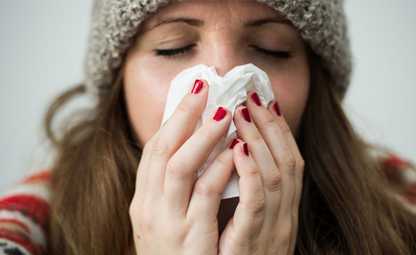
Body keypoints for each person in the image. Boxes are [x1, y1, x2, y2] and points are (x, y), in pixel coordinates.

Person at [0, 0, 415, 254]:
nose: (225, 77)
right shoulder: (26, 232)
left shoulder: (403, 220)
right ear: (119, 82)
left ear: (315, 82)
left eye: (271, 49)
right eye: (174, 47)